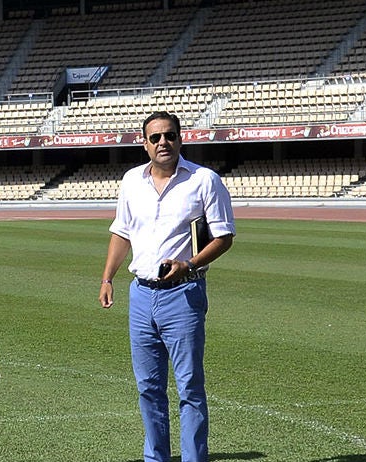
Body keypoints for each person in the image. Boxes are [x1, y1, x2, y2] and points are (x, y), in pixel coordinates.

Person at [99, 112, 234, 462]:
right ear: (144, 143)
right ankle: (155, 457)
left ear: (180, 139)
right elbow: (121, 232)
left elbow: (224, 236)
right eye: (155, 137)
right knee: (148, 387)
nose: (163, 143)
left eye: (170, 136)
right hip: (141, 294)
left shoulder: (204, 181)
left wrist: (188, 264)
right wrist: (107, 277)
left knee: (189, 386)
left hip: (184, 293)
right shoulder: (131, 181)